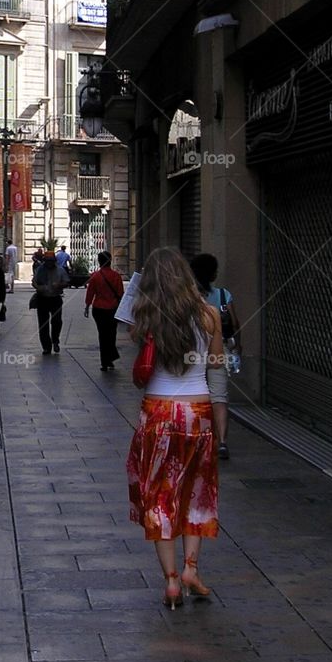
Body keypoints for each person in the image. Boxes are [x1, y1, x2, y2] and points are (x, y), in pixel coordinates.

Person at [116, 247, 223, 608]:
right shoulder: (209, 314)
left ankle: (172, 581)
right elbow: (218, 362)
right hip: (199, 410)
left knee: (161, 494)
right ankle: (192, 567)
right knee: (197, 489)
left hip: (158, 412)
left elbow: (138, 363)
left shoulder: (145, 317)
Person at [190, 253, 239, 460]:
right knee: (219, 397)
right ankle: (222, 442)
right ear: (212, 274)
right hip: (220, 352)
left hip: (194, 352)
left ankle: (200, 438)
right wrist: (238, 347)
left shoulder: (189, 298)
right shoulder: (222, 296)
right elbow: (235, 324)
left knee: (197, 393)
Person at [84, 250, 124, 371]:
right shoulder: (116, 276)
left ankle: (104, 362)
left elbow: (90, 293)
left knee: (102, 335)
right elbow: (121, 293)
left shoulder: (95, 276)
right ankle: (110, 359)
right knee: (112, 334)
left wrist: (87, 306)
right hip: (113, 309)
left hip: (99, 309)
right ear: (110, 261)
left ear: (99, 261)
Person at [32, 249, 69, 355]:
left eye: (51, 261)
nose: (49, 263)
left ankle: (55, 340)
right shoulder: (40, 270)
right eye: (47, 261)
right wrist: (38, 287)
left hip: (55, 298)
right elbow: (34, 281)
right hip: (43, 298)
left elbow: (66, 282)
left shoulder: (60, 270)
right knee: (43, 324)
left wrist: (59, 285)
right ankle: (46, 347)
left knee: (57, 321)